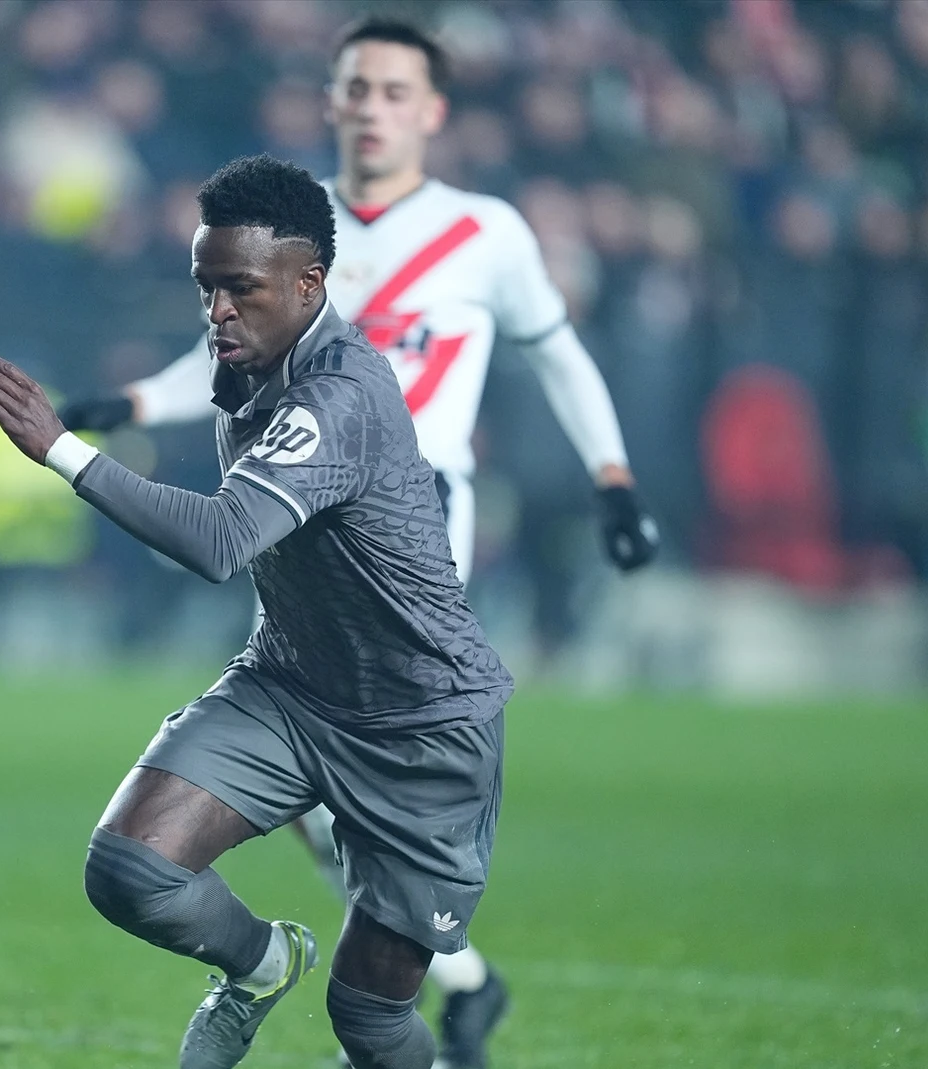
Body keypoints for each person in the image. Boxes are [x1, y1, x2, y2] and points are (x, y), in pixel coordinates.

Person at [58, 18, 659, 1065]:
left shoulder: (485, 233)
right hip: (292, 528)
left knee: (378, 724)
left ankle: (420, 968)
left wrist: (612, 477)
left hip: (417, 520)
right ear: (330, 103)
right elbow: (221, 339)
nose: (372, 107)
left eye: (393, 91)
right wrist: (127, 403)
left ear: (430, 111)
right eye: (356, 89)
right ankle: (448, 974)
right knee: (305, 786)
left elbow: (556, 354)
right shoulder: (294, 229)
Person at [0, 154, 508, 1069]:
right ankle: (259, 965)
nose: (216, 310)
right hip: (291, 687)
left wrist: (61, 449)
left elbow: (219, 541)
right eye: (204, 286)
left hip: (422, 726)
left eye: (238, 289)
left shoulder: (337, 393)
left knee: (368, 1021)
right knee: (130, 871)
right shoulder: (250, 358)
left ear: (308, 283)